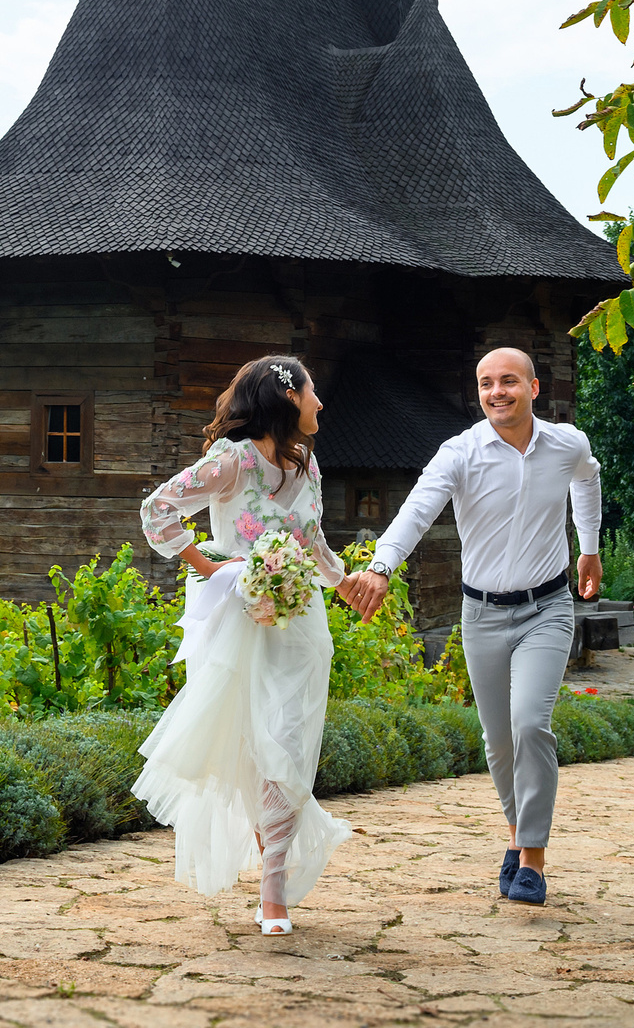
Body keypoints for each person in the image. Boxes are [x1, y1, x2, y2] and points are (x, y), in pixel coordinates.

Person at [337, 348, 601, 907]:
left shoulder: (567, 444)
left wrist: (590, 549)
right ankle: (516, 835)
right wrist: (381, 567)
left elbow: (588, 479)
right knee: (498, 741)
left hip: (547, 609)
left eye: (508, 381)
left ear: (534, 387)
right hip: (481, 614)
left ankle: (532, 859)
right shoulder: (459, 453)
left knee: (530, 725)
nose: (497, 392)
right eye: (486, 383)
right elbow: (416, 510)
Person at [132, 354, 353, 935]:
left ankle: (273, 877)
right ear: (287, 397)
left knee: (290, 744)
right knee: (258, 748)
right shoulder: (231, 460)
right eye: (312, 392)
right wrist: (208, 564)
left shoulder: (307, 463)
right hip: (241, 622)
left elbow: (313, 542)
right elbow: (157, 509)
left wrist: (344, 582)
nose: (320, 403)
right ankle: (273, 889)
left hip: (300, 625)